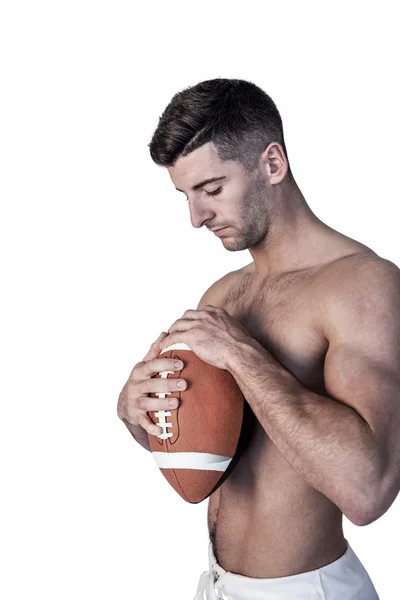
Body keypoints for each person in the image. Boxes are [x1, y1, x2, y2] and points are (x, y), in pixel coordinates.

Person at [118, 78, 400, 599]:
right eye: (185, 195)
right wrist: (139, 414)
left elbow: (370, 489)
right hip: (217, 586)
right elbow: (206, 459)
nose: (196, 217)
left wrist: (243, 356)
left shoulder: (363, 286)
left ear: (272, 164)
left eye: (212, 189)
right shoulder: (223, 294)